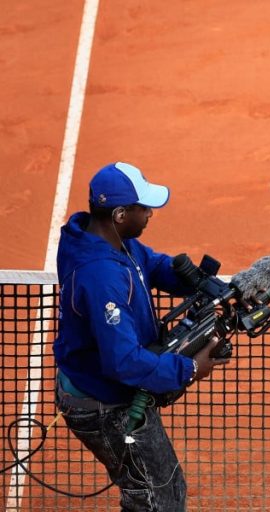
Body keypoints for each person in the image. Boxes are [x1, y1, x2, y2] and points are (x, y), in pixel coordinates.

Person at [53, 162, 228, 511]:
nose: (150, 214)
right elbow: (124, 362)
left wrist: (198, 283)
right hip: (103, 405)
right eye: (143, 208)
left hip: (108, 388)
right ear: (119, 213)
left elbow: (150, 264)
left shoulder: (111, 239)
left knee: (163, 488)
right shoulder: (100, 276)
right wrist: (190, 369)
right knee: (156, 497)